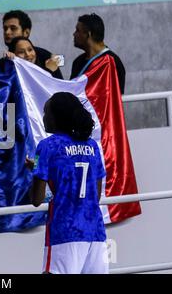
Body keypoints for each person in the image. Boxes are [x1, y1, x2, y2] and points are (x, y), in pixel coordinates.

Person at [28, 92, 108, 274]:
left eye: (46, 112)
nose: (44, 117)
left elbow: (36, 199)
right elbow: (94, 194)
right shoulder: (91, 146)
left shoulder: (46, 146)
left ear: (58, 117)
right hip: (95, 231)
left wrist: (36, 170)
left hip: (64, 231)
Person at [70, 13, 126, 94]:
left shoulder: (112, 62)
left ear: (88, 34)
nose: (74, 34)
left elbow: (114, 99)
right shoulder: (77, 62)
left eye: (77, 31)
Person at [2, 10, 63, 79]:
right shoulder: (2, 63)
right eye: (5, 28)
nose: (7, 32)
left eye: (13, 28)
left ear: (26, 32)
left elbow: (61, 87)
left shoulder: (46, 56)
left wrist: (49, 71)